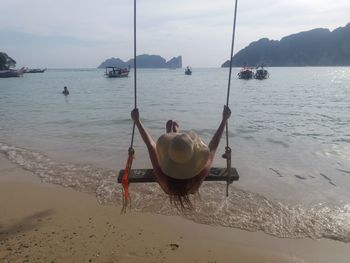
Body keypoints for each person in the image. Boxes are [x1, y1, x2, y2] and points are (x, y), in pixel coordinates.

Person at [131, 105, 231, 209]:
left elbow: (150, 144)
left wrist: (137, 121)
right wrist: (224, 120)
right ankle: (173, 136)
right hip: (181, 187)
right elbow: (212, 148)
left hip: (169, 185)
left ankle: (171, 135)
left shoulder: (164, 179)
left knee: (169, 153)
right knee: (174, 152)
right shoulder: (195, 181)